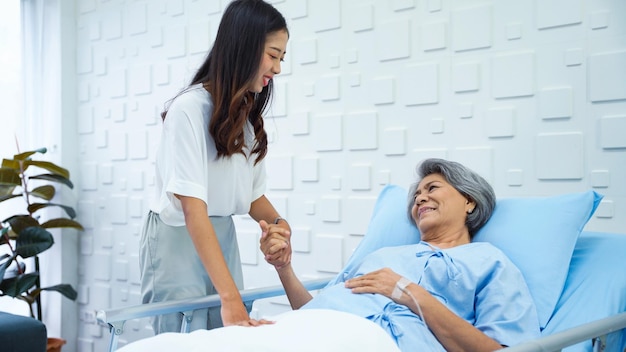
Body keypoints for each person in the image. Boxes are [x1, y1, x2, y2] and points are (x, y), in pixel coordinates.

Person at [260, 158, 541, 352]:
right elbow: (315, 310)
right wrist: (284, 268)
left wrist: (408, 292)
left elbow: (502, 349)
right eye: (417, 195)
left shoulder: (489, 262)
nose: (420, 198)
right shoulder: (382, 256)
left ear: (469, 201)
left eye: (432, 188)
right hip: (306, 330)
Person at [140, 0, 292, 334]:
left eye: (282, 58)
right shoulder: (189, 110)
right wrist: (230, 296)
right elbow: (194, 210)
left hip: (220, 234)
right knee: (181, 335)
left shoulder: (247, 119)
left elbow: (251, 196)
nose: (278, 68)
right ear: (244, 45)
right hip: (177, 238)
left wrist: (280, 226)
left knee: (228, 335)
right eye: (272, 55)